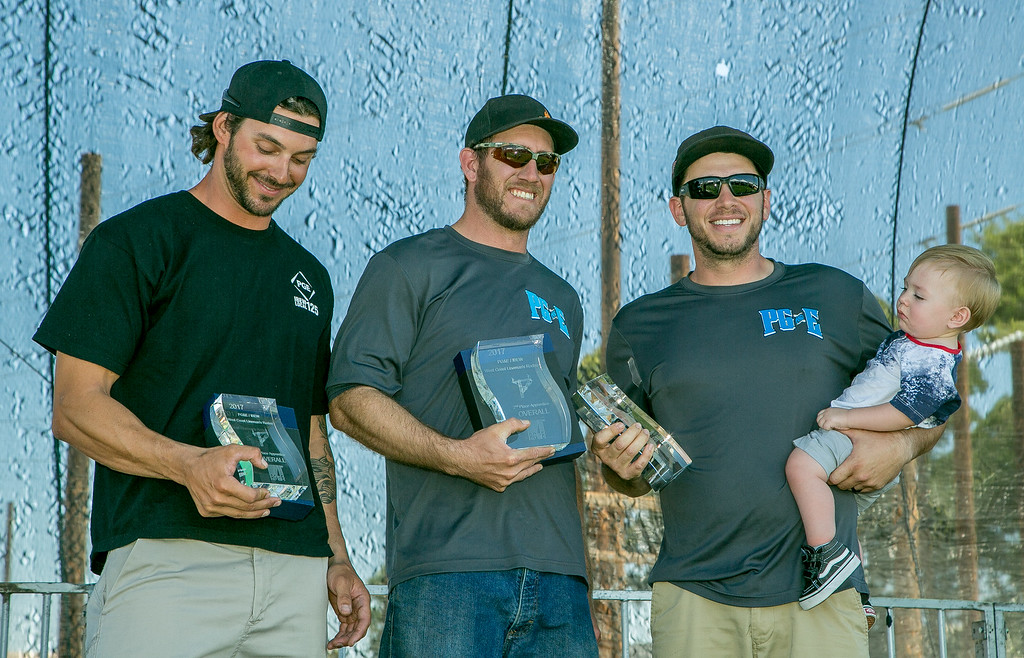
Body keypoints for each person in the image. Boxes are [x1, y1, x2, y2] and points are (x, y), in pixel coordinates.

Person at [33, 60, 370, 657]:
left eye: (302, 158)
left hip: (294, 572)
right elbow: (75, 408)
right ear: (223, 127)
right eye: (267, 147)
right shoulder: (135, 241)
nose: (281, 172)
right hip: (167, 562)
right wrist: (189, 466)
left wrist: (336, 557)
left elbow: (313, 437)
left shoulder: (309, 278)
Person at [591, 125, 944, 656]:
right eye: (705, 189)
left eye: (743, 185)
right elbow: (632, 476)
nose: (726, 200)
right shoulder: (640, 325)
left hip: (822, 597)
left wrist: (900, 446)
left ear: (766, 200)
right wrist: (617, 467)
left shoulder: (834, 295)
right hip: (693, 601)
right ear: (678, 209)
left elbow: (932, 387)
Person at [327, 93, 599, 657]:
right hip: (446, 576)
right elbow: (351, 400)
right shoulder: (408, 266)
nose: (531, 172)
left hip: (561, 579)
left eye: (546, 162)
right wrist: (459, 456)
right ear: (470, 163)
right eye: (513, 155)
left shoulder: (563, 297)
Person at [787, 244, 1000, 610]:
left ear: (956, 316)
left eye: (919, 295)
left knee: (800, 467)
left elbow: (907, 411)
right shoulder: (914, 343)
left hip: (852, 439)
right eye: (905, 288)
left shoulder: (930, 359)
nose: (903, 300)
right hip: (853, 442)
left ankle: (827, 558)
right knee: (837, 515)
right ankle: (858, 592)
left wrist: (846, 418)